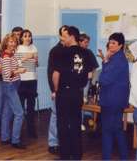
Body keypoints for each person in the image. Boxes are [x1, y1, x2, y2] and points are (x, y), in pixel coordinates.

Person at [53, 26, 92, 160]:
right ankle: (76, 155)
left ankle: (64, 155)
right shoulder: (86, 52)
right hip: (77, 93)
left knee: (63, 124)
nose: (63, 39)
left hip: (64, 92)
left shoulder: (62, 52)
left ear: (71, 36)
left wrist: (56, 90)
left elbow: (56, 74)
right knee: (76, 124)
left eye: (65, 36)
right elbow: (89, 74)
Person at [98, 33, 129, 160]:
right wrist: (106, 61)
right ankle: (124, 157)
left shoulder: (117, 60)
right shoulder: (119, 58)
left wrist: (105, 63)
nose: (110, 45)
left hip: (111, 101)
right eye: (110, 42)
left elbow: (103, 80)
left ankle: (106, 158)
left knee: (107, 132)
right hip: (117, 101)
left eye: (114, 43)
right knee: (117, 130)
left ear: (121, 45)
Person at [0, 33, 26, 149]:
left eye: (14, 42)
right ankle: (15, 140)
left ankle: (5, 137)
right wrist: (19, 71)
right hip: (10, 85)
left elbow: (11, 69)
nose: (13, 44)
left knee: (7, 112)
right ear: (6, 43)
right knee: (19, 113)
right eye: (10, 42)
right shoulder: (6, 56)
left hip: (13, 85)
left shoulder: (12, 54)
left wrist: (17, 70)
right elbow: (6, 74)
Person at [47, 25, 68, 154]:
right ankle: (53, 142)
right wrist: (53, 90)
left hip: (68, 90)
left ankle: (64, 141)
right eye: (65, 33)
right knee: (55, 115)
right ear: (60, 36)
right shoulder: (55, 50)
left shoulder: (71, 50)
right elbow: (51, 72)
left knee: (66, 116)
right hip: (57, 89)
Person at [15, 29, 39, 138]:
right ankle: (18, 132)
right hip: (22, 80)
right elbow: (17, 63)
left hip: (32, 80)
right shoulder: (18, 48)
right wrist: (28, 57)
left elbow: (36, 64)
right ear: (21, 38)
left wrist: (34, 59)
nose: (28, 38)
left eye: (29, 36)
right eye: (25, 36)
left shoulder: (34, 47)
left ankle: (31, 130)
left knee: (31, 107)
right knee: (20, 107)